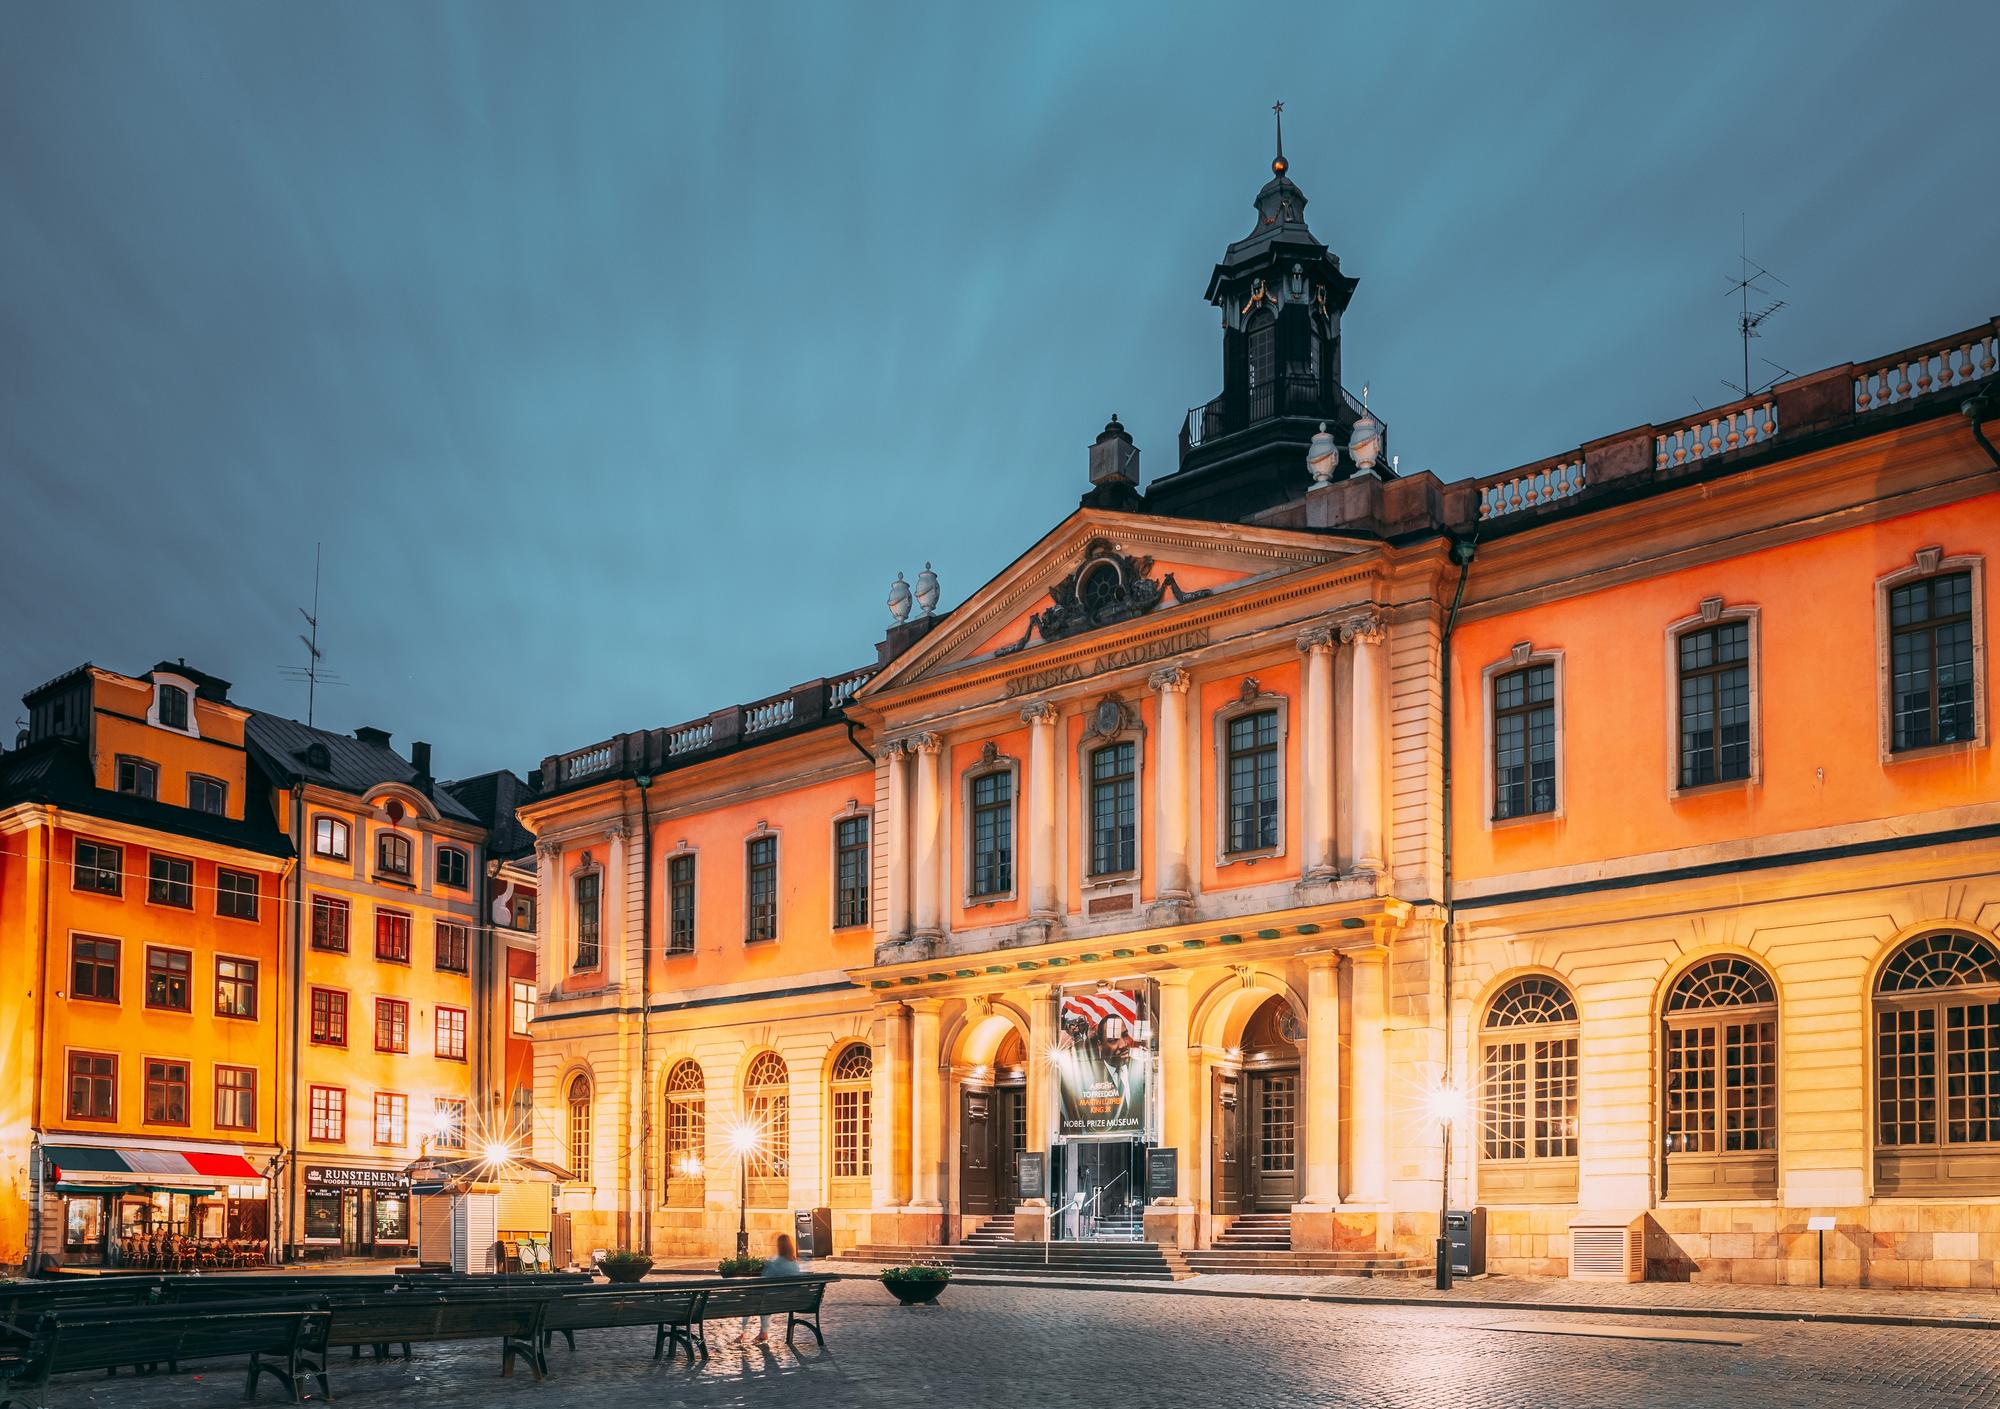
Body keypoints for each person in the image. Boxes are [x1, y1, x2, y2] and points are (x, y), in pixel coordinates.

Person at [739, 1232, 803, 1345]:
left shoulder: (775, 1262)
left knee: (751, 1299)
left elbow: (764, 1279)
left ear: (779, 1246)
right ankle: (762, 1333)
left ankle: (744, 1332)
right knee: (765, 1298)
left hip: (773, 1301)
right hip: (792, 1301)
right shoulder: (794, 1264)